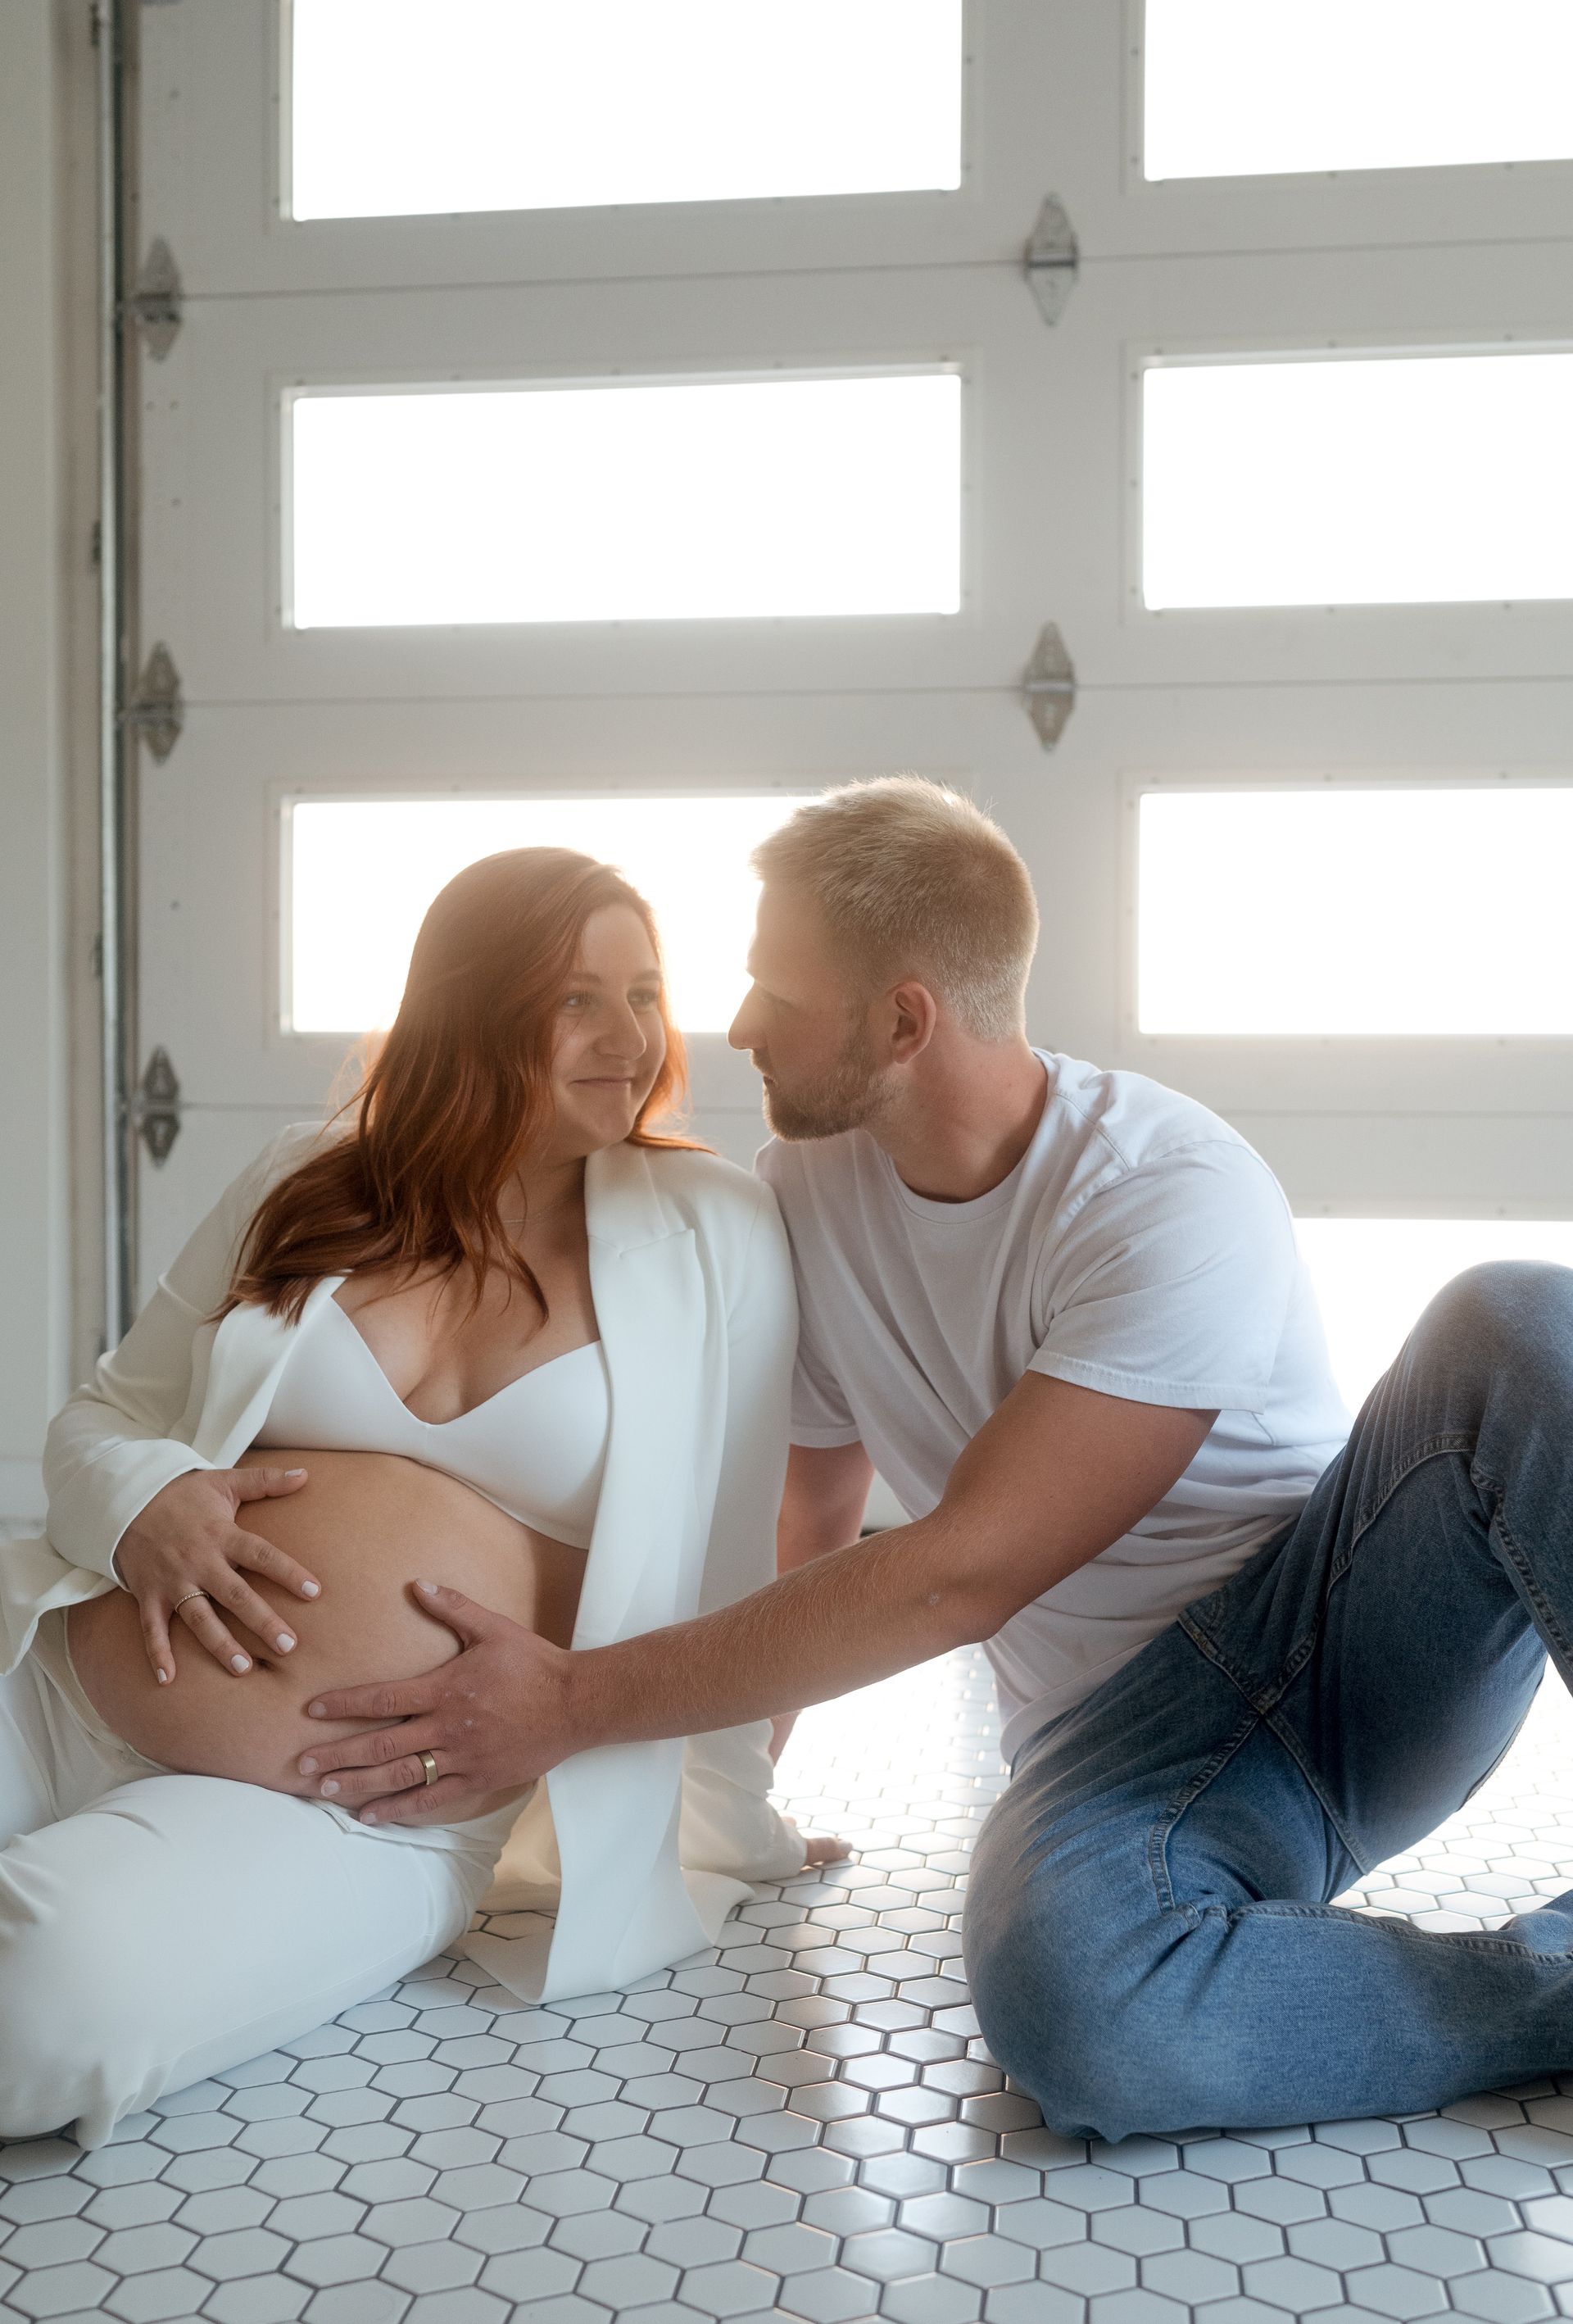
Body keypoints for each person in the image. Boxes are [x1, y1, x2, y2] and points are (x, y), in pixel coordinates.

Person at [302, 778, 1573, 2140]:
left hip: (1343, 1644)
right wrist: (736, 1794)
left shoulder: (1165, 1191)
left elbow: (960, 1573)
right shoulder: (807, 1188)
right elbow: (813, 1501)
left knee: (1514, 1317)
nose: (733, 1029)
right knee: (1075, 2000)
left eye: (772, 995)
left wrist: (570, 1701)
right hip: (1120, 1745)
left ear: (902, 1019)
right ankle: (1549, 1991)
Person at [1, 846, 836, 2149]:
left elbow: (732, 1561)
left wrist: (736, 1810)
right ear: (472, 1006)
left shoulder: (713, 1233)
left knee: (43, 2002)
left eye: (647, 992)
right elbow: (103, 1418)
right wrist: (146, 1501)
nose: (629, 1037)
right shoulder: (308, 1175)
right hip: (65, 1666)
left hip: (360, 1808)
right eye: (577, 998)